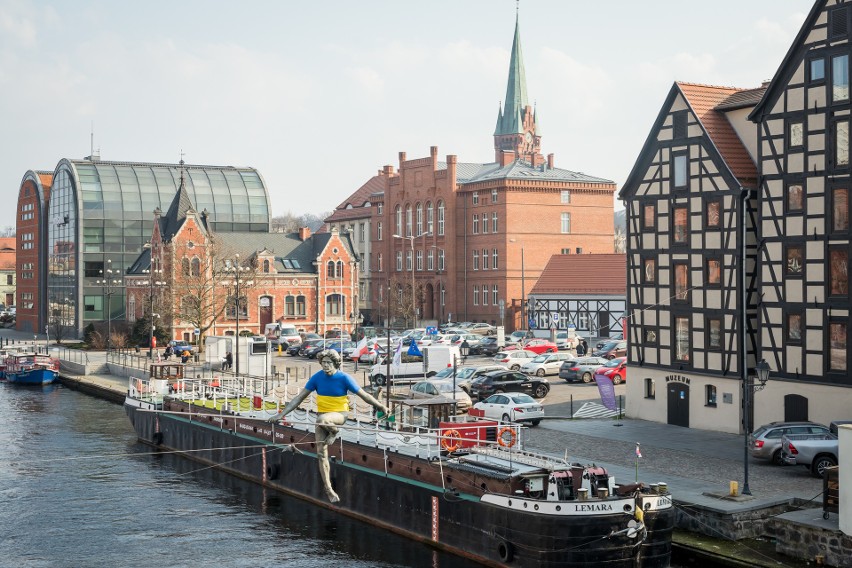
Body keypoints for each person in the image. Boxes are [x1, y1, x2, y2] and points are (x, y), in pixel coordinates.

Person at [267, 349, 388, 503]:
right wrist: (280, 415)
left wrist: (381, 406)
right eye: (323, 363)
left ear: (336, 363)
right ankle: (329, 489)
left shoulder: (344, 378)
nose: (325, 365)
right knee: (321, 454)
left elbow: (365, 396)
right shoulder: (317, 378)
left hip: (339, 415)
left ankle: (334, 432)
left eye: (328, 363)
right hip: (322, 417)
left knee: (322, 420)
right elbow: (298, 399)